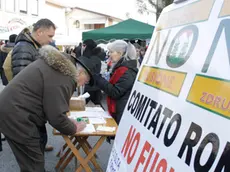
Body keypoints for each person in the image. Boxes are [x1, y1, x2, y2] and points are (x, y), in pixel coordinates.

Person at [0, 45, 96, 171]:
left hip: (15, 111)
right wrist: (73, 127)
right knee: (33, 163)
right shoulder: (64, 77)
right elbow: (56, 117)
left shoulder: (58, 69)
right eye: (86, 80)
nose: (84, 84)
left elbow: (53, 107)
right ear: (81, 72)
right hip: (17, 115)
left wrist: (66, 121)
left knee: (32, 156)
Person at [11, 18, 56, 151]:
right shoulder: (24, 47)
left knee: (38, 138)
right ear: (39, 32)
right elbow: (22, 81)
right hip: (27, 104)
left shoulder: (31, 46)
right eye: (50, 36)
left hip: (31, 102)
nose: (51, 40)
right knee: (33, 142)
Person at [94, 40, 138, 125]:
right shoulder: (123, 68)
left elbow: (115, 92)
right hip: (120, 109)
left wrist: (99, 80)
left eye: (111, 52)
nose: (109, 54)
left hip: (122, 111)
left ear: (120, 53)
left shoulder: (125, 71)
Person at [81, 39, 103, 105]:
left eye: (84, 45)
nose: (83, 47)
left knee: (83, 103)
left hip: (92, 85)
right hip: (94, 85)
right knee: (97, 103)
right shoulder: (95, 57)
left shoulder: (91, 58)